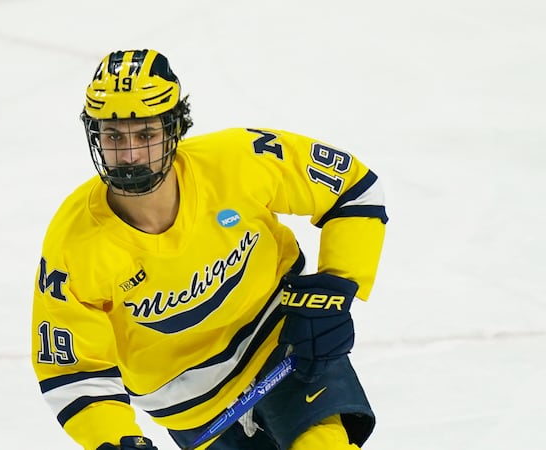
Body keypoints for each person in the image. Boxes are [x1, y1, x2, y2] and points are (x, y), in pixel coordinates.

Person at [31, 49, 388, 450]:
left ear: (175, 128)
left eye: (145, 134)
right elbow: (73, 371)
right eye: (113, 136)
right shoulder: (73, 244)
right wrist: (115, 440)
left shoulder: (238, 161)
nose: (130, 155)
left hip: (285, 343)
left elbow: (352, 188)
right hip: (190, 405)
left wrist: (338, 288)